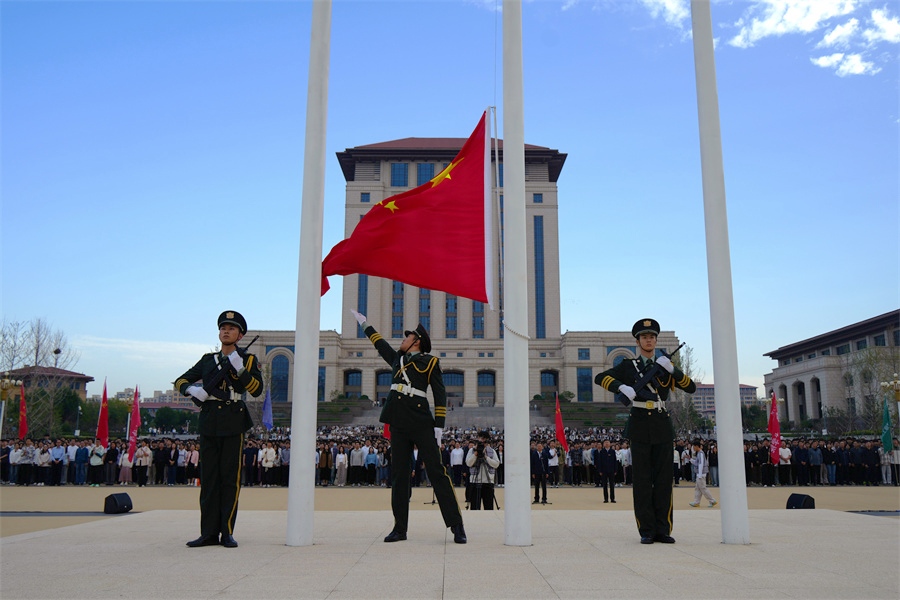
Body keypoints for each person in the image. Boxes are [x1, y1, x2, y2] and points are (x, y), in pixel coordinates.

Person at [353, 309, 466, 544]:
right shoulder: (398, 359)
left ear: (417, 342)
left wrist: (439, 425)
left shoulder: (430, 361)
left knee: (437, 472)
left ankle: (456, 525)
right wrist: (365, 325)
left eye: (407, 337)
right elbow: (380, 345)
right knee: (399, 476)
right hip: (398, 421)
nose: (403, 340)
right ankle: (400, 528)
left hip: (421, 421)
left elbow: (440, 393)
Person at [595, 318, 696, 544]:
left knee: (663, 480)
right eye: (644, 337)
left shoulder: (665, 366)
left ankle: (663, 529)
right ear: (637, 341)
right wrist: (621, 386)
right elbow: (600, 377)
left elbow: (690, 387)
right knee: (641, 481)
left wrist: (674, 370)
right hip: (639, 424)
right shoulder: (628, 366)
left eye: (652, 337)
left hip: (662, 425)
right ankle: (647, 530)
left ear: (656, 341)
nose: (648, 340)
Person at [176, 310, 262, 548]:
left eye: (231, 328)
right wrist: (192, 390)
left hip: (233, 421)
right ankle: (208, 533)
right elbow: (181, 380)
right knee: (209, 480)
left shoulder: (248, 360)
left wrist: (241, 370)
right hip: (209, 421)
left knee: (230, 480)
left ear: (240, 335)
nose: (226, 331)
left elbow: (256, 389)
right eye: (223, 328)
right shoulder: (207, 360)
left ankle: (227, 531)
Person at [464, 430, 499, 510]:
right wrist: (475, 454)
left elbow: (496, 464)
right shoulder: (471, 451)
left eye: (484, 440)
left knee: (489, 507)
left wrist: (486, 457)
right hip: (475, 481)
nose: (482, 442)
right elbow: (468, 463)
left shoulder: (492, 451)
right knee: (474, 507)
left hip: (488, 481)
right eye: (481, 439)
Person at [687, 440, 717, 508]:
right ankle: (696, 502)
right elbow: (697, 463)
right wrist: (690, 459)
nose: (693, 448)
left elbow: (700, 464)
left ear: (696, 446)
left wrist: (700, 475)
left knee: (703, 488)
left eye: (694, 447)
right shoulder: (699, 453)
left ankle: (712, 500)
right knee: (698, 488)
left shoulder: (700, 453)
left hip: (701, 474)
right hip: (700, 473)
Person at [597, 439, 618, 503]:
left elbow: (615, 461)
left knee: (612, 485)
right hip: (604, 471)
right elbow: (599, 462)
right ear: (603, 444)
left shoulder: (612, 451)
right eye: (605, 442)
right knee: (605, 485)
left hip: (611, 470)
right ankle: (606, 498)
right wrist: (600, 471)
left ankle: (612, 498)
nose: (606, 443)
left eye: (608, 442)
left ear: (610, 444)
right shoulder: (601, 452)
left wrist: (615, 470)